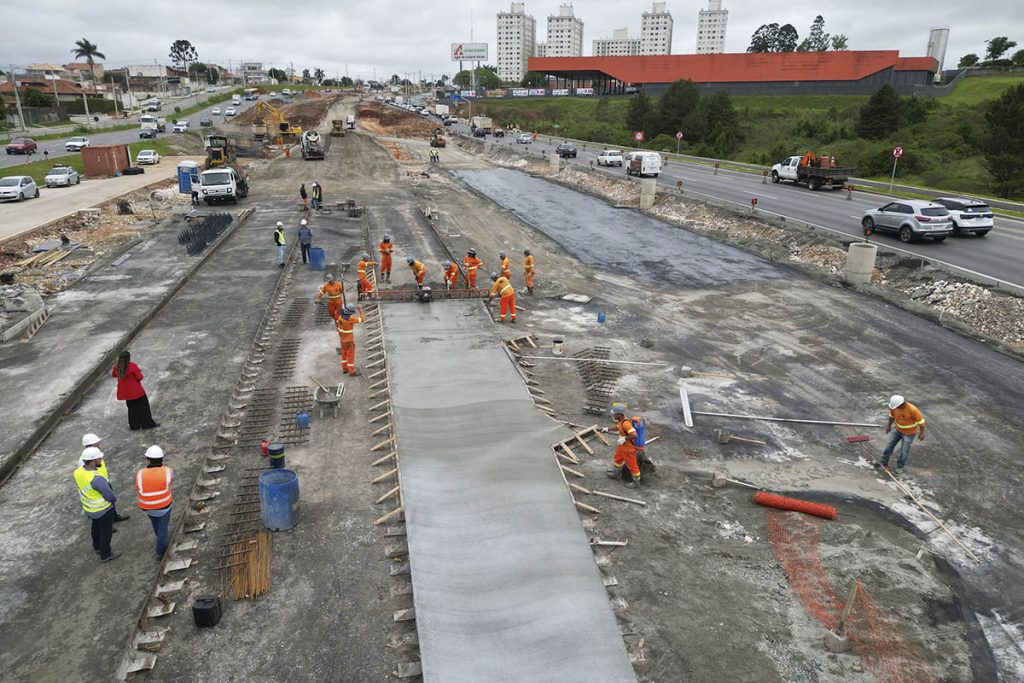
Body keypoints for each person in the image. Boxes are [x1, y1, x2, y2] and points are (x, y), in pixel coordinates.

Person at [73, 448, 122, 562]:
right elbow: (110, 496)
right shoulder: (96, 478)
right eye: (99, 458)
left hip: (89, 509)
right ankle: (105, 554)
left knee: (95, 527)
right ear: (93, 461)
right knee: (106, 531)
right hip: (103, 510)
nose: (101, 459)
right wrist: (113, 500)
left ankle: (97, 547)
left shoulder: (78, 472)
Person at [80, 434, 130, 523]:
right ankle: (108, 524)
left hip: (103, 481)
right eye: (96, 445)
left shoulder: (95, 454)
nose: (99, 446)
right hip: (97, 485)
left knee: (111, 504)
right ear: (89, 446)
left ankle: (114, 517)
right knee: (105, 506)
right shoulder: (85, 460)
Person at [135, 445, 173, 558]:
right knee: (163, 527)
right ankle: (160, 550)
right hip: (164, 506)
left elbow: (138, 488)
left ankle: (160, 539)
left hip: (146, 507)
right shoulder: (168, 471)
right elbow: (170, 482)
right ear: (162, 458)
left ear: (148, 459)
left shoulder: (140, 473)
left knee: (155, 523)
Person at [112, 351, 159, 430]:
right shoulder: (132, 366)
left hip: (126, 393)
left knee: (132, 409)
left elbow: (114, 374)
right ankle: (147, 424)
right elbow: (139, 377)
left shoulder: (116, 367)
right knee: (144, 407)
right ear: (129, 358)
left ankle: (134, 426)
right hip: (137, 392)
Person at [879, 394, 926, 474]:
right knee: (890, 445)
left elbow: (921, 422)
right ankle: (883, 462)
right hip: (897, 430)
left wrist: (922, 433)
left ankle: (900, 467)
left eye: (896, 407)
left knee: (904, 451)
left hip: (909, 433)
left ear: (902, 404)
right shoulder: (895, 408)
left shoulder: (913, 410)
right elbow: (892, 416)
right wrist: (889, 425)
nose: (895, 409)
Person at [605, 403, 641, 488]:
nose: (613, 415)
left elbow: (634, 435)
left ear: (620, 414)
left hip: (629, 448)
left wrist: (624, 439)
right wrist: (608, 429)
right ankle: (616, 474)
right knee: (618, 458)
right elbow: (617, 427)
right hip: (622, 446)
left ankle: (636, 482)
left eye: (615, 414)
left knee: (631, 464)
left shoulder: (626, 423)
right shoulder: (620, 421)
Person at [335, 304, 365, 376]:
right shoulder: (351, 319)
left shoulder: (340, 317)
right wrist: (360, 309)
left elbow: (338, 329)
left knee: (344, 355)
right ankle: (352, 371)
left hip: (342, 340)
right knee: (350, 356)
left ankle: (344, 369)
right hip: (349, 341)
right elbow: (362, 319)